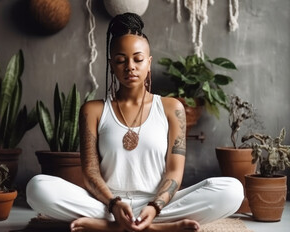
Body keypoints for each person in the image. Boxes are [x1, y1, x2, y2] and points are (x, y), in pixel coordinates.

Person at [26, 12, 244, 232]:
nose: (130, 66)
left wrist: (155, 206)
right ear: (112, 65)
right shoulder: (93, 110)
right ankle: (149, 227)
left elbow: (174, 172)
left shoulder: (172, 108)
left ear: (148, 63)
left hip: (159, 203)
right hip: (106, 203)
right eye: (121, 60)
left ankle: (119, 227)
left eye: (138, 59)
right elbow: (90, 172)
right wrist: (113, 204)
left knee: (232, 190)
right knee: (38, 187)